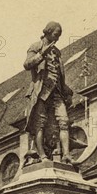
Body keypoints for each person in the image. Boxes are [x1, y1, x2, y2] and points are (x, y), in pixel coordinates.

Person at [24, 21, 75, 164]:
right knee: (39, 123)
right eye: (55, 35)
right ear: (47, 32)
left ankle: (66, 154)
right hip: (41, 92)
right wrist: (41, 54)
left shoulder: (57, 52)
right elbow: (27, 65)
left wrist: (67, 92)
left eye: (59, 36)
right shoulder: (35, 46)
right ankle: (42, 156)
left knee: (64, 121)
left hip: (56, 92)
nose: (57, 38)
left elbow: (59, 76)